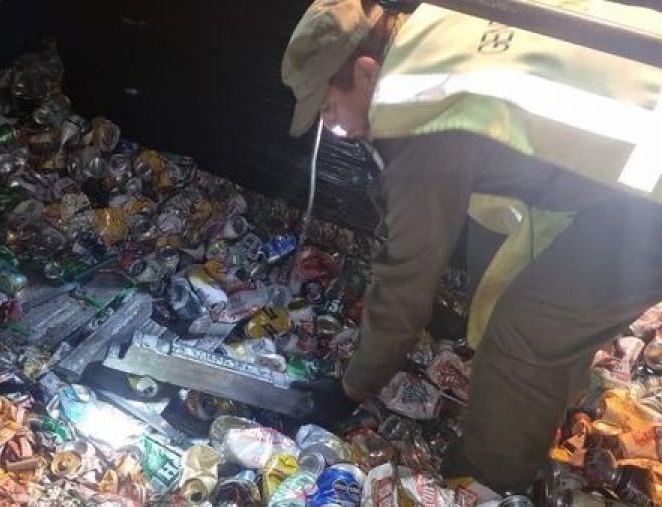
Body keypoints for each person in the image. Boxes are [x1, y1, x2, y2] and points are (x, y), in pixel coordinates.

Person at [281, 0, 662, 494]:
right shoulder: (436, 31)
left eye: (330, 110)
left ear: (366, 71)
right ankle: (550, 403)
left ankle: (487, 484)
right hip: (630, 158)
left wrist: (351, 388)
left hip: (650, 190)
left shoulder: (422, 117)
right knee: (542, 306)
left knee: (522, 334)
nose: (336, 128)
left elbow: (404, 286)